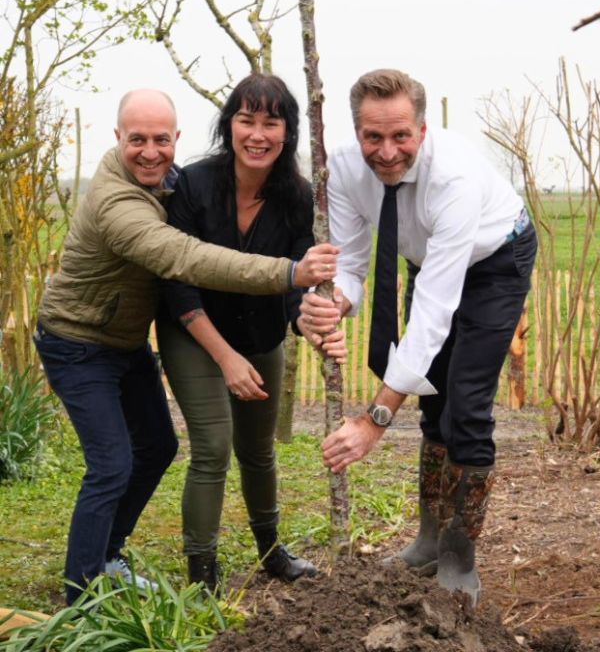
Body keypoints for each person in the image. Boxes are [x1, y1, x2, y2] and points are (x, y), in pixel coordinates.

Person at [34, 89, 337, 605]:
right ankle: (81, 593)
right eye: (137, 140)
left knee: (158, 447)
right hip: (79, 341)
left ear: (176, 139)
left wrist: (313, 312)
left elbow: (298, 281)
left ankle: (109, 556)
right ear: (116, 139)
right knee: (113, 464)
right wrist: (289, 274)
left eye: (160, 140)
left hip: (124, 342)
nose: (150, 151)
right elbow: (185, 260)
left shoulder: (178, 183)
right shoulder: (122, 202)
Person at [298, 69, 536, 606]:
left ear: (422, 131)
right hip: (425, 261)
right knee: (434, 405)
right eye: (373, 137)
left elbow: (435, 310)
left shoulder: (452, 179)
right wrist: (334, 302)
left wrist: (374, 418)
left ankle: (458, 556)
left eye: (400, 135)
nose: (386, 151)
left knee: (467, 408)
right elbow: (353, 262)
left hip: (494, 261)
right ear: (356, 131)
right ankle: (427, 543)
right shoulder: (342, 168)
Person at [156, 74, 320, 592]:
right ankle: (201, 574)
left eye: (271, 122)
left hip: (262, 336)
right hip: (194, 332)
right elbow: (177, 285)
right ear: (229, 125)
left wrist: (308, 320)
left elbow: (295, 280)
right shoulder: (194, 185)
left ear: (288, 132)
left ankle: (273, 553)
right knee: (212, 447)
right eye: (246, 119)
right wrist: (225, 358)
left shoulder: (297, 197)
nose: (258, 133)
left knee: (259, 449)